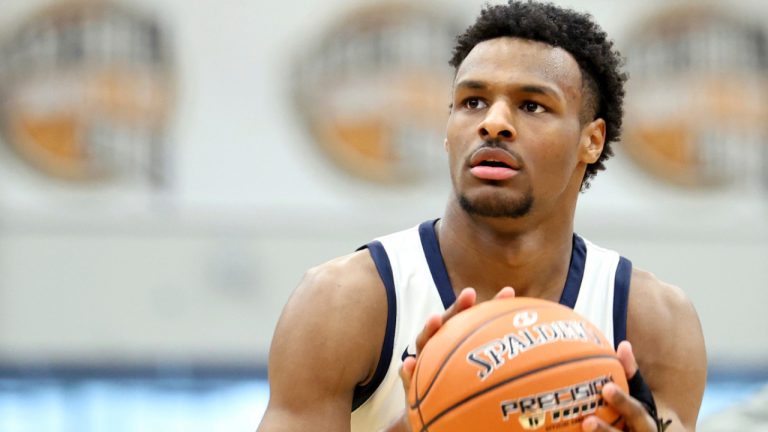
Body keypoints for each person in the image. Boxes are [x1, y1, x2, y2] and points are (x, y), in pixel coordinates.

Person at [256, 1, 707, 431]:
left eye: (532, 105)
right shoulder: (346, 301)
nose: (493, 122)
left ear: (591, 140)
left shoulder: (651, 318)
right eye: (472, 101)